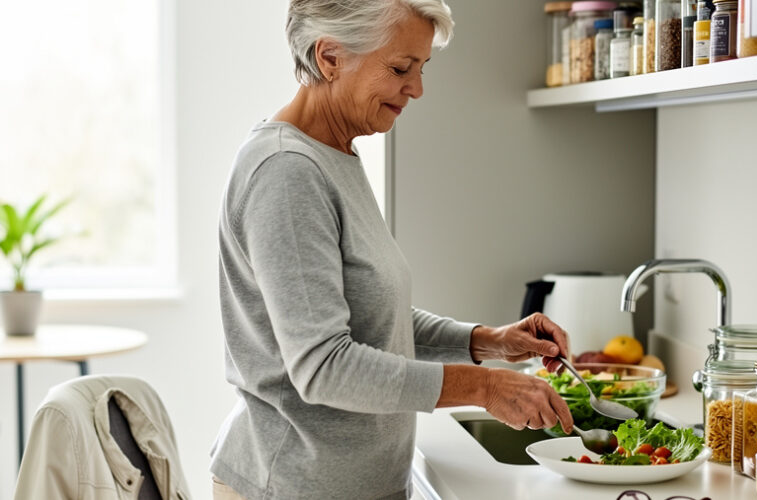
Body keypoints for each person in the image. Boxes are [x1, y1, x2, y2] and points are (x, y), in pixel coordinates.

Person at [211, 2, 575, 499]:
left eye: (421, 69)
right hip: (293, 486)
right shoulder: (287, 172)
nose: (417, 89)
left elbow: (372, 319)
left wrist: (490, 341)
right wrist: (483, 387)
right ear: (330, 57)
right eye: (400, 68)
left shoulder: (334, 155)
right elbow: (324, 366)